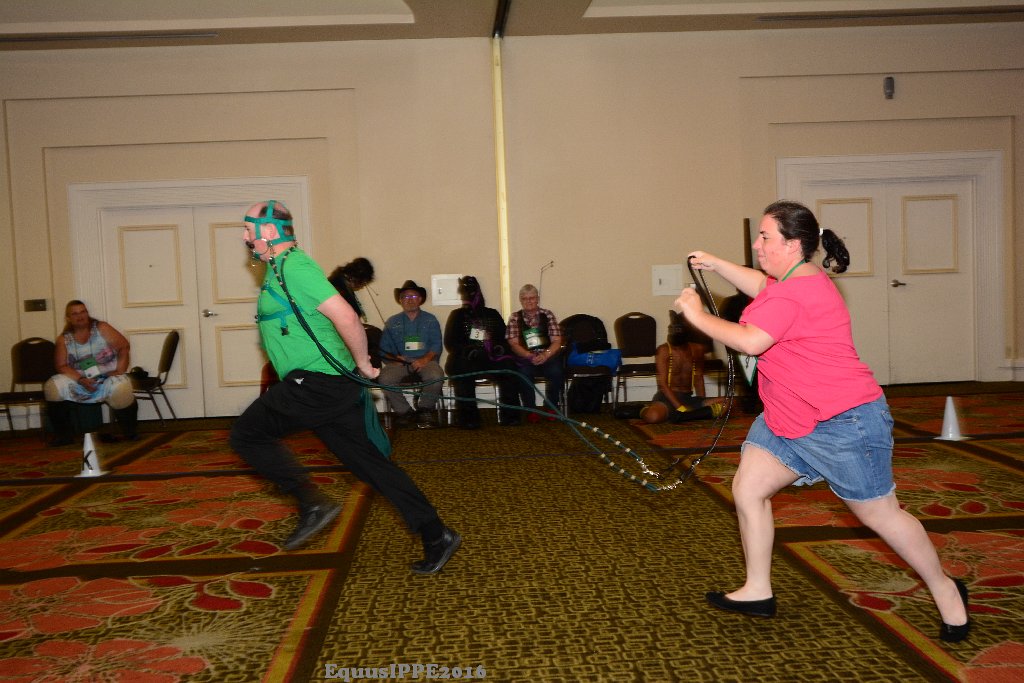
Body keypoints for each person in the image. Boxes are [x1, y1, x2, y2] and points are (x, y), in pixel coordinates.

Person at [675, 200, 969, 642]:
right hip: (790, 417)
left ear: (793, 244)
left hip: (843, 421)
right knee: (749, 489)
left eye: (766, 237)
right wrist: (717, 264)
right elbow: (761, 285)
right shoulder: (797, 277)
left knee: (881, 515)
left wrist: (697, 315)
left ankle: (945, 590)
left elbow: (752, 342)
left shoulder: (797, 291)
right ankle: (757, 590)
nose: (757, 245)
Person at [229, 200, 459, 574]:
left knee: (246, 434)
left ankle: (311, 503)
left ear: (269, 231)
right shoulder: (279, 269)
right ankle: (437, 534)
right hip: (329, 386)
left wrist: (364, 364)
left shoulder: (296, 267)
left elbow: (346, 317)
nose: (243, 237)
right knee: (370, 466)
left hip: (315, 384)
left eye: (247, 228)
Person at [44, 300, 138, 446]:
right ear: (68, 318)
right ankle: (64, 436)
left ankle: (130, 432)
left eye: (83, 312)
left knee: (121, 387)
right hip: (80, 379)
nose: (80, 316)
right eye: (75, 314)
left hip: (107, 376)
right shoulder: (63, 339)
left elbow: (124, 346)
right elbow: (61, 366)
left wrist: (119, 370)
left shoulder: (101, 327)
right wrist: (81, 379)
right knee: (52, 387)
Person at [443, 276, 518, 429]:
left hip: (491, 357)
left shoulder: (492, 314)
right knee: (463, 371)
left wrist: (497, 347)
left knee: (509, 367)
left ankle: (511, 416)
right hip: (468, 358)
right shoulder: (457, 315)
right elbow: (451, 342)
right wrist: (468, 350)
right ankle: (469, 418)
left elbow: (503, 338)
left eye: (472, 291)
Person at [378, 280, 445, 429]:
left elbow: (436, 345)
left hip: (426, 361)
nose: (410, 300)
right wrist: (394, 359)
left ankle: (425, 410)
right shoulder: (392, 321)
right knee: (385, 378)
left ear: (420, 299)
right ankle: (405, 412)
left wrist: (424, 360)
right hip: (400, 362)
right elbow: (383, 348)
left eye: (414, 296)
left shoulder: (431, 319)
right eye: (406, 297)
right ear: (400, 300)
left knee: (436, 376)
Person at [640, 311, 726, 424]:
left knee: (728, 404)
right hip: (667, 398)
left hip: (687, 398)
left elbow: (698, 378)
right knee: (652, 417)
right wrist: (679, 407)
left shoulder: (697, 349)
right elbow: (663, 384)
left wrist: (701, 401)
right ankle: (688, 415)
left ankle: (684, 416)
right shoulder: (664, 350)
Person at [505, 284, 563, 420]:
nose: (529, 301)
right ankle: (531, 409)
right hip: (525, 356)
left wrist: (546, 354)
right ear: (520, 300)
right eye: (525, 299)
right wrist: (528, 355)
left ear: (537, 299)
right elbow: (513, 344)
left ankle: (551, 407)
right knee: (523, 373)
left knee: (556, 371)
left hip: (547, 354)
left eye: (532, 298)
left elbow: (557, 341)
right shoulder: (514, 317)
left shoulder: (548, 314)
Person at [327, 257, 375, 322]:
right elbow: (351, 315)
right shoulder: (339, 289)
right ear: (359, 278)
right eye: (364, 283)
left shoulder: (337, 279)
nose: (362, 286)